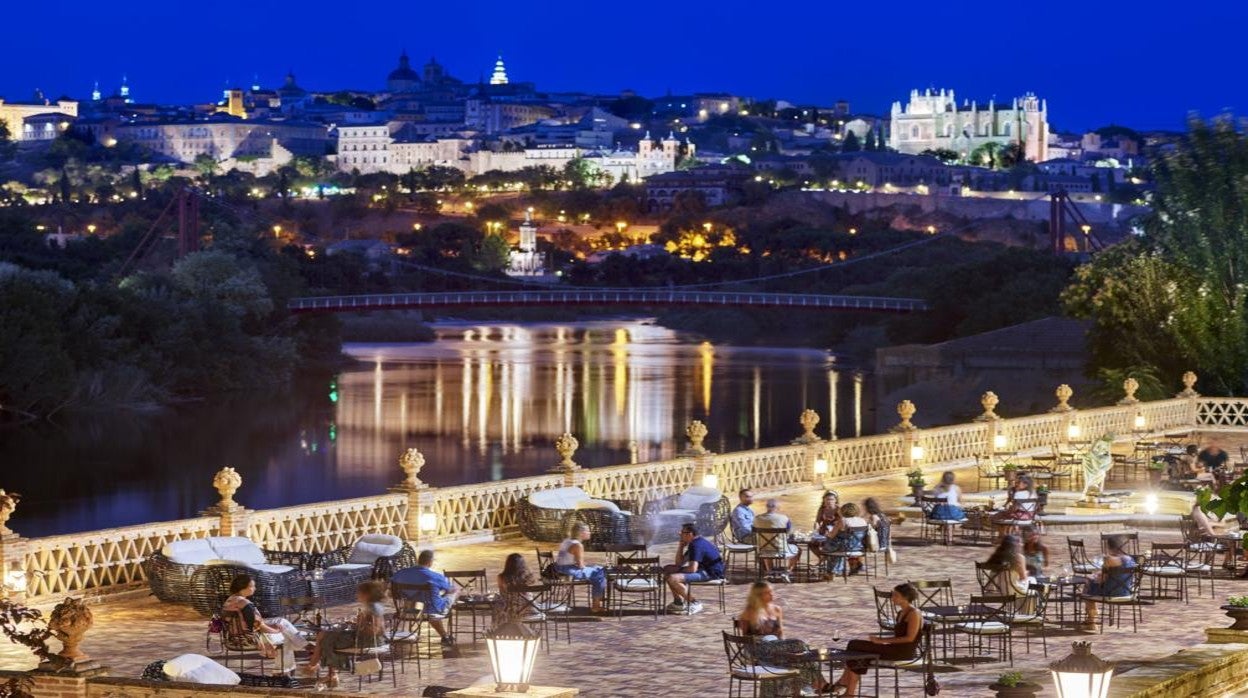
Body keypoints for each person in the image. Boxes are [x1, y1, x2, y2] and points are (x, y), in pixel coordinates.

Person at [828, 583, 923, 696]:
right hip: (893, 649)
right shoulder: (901, 613)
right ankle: (848, 690)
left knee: (854, 645)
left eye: (896, 595)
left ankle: (846, 686)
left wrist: (881, 641)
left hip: (903, 653)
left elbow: (910, 638)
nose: (892, 598)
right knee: (856, 648)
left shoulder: (914, 614)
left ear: (905, 597)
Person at [735, 581, 827, 694]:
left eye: (771, 591)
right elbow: (745, 638)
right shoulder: (750, 611)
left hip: (775, 646)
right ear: (758, 595)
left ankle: (809, 686)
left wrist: (785, 650)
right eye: (767, 593)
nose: (772, 594)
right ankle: (818, 683)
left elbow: (781, 634)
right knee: (799, 644)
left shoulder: (777, 609)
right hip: (758, 649)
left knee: (800, 660)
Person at [221, 574, 311, 673]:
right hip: (248, 638)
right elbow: (259, 626)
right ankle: (284, 669)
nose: (254, 588)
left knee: (282, 624)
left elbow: (249, 622)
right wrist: (275, 630)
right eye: (252, 586)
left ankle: (284, 669)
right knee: (284, 636)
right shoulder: (245, 604)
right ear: (243, 587)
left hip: (235, 636)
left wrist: (272, 627)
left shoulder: (231, 600)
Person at [303, 581, 387, 686]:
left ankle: (320, 667)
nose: (357, 595)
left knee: (327, 639)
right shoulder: (372, 606)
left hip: (366, 641)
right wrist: (356, 623)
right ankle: (321, 668)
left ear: (367, 594)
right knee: (325, 635)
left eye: (359, 592)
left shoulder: (373, 608)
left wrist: (361, 623)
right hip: (362, 637)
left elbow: (375, 630)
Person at [391, 549, 460, 645]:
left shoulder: (400, 573)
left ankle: (444, 635)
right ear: (430, 562)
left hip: (408, 610)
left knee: (429, 599)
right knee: (455, 590)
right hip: (431, 610)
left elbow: (390, 587)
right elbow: (450, 590)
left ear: (418, 560)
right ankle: (445, 636)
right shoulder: (435, 576)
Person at [664, 523, 725, 614]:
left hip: (710, 573)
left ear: (690, 534)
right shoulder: (695, 542)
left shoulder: (696, 545)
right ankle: (678, 603)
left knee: (673, 578)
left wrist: (677, 570)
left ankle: (694, 603)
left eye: (682, 532)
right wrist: (680, 546)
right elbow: (679, 563)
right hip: (704, 570)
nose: (679, 534)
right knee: (668, 571)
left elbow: (692, 569)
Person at [1081, 535, 1137, 631]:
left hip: (1111, 593)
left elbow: (1101, 580)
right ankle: (1093, 616)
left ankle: (1092, 621)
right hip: (1127, 592)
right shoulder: (1130, 559)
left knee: (1087, 589)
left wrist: (1092, 578)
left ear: (1110, 547)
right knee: (1091, 583)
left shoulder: (1109, 560)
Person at [551, 522, 607, 613]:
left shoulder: (567, 540)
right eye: (588, 531)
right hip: (567, 570)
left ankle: (597, 601)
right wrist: (591, 567)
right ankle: (596, 605)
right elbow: (581, 565)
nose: (590, 532)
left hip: (558, 568)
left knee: (597, 571)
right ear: (581, 533)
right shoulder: (578, 545)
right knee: (599, 573)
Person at [754, 498, 800, 579]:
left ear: (766, 507)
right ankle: (788, 571)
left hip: (763, 550)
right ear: (777, 507)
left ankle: (769, 571)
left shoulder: (757, 518)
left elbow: (753, 529)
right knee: (798, 550)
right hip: (781, 550)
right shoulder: (784, 518)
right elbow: (789, 532)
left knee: (766, 545)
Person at [821, 503, 868, 578]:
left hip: (845, 548)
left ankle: (831, 572)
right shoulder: (863, 520)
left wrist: (826, 533)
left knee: (829, 548)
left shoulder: (843, 520)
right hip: (859, 548)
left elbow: (831, 535)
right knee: (836, 546)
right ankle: (837, 570)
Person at [494, 552, 538, 625]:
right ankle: (530, 632)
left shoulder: (501, 577)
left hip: (510, 611)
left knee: (497, 606)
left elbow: (502, 594)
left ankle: (497, 631)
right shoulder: (529, 577)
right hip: (530, 611)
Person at [928, 471, 966, 544]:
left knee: (945, 513)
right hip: (951, 514)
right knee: (954, 515)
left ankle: (943, 534)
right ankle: (950, 539)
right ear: (953, 479)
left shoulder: (937, 488)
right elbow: (960, 501)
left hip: (938, 514)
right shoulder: (956, 488)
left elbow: (936, 499)